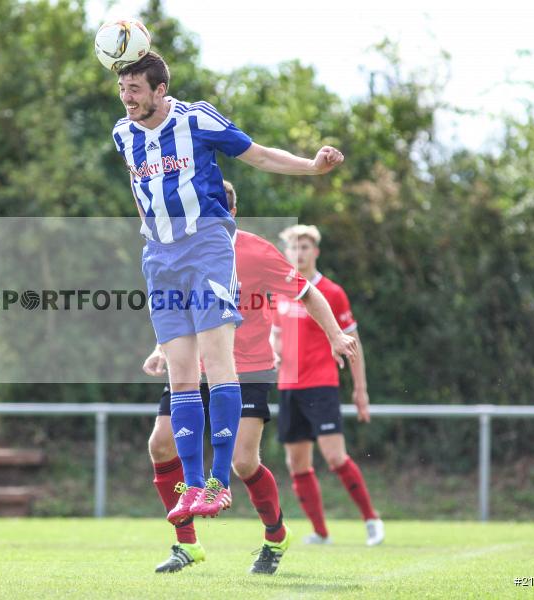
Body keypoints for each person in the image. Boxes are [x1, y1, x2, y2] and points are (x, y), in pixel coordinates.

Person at [111, 52, 345, 528]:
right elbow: (143, 198)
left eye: (135, 89)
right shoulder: (123, 133)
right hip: (159, 257)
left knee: (217, 361)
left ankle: (218, 484)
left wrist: (312, 167)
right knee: (181, 375)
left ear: (159, 90)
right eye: (123, 89)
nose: (127, 97)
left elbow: (257, 154)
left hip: (206, 247)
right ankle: (195, 487)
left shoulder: (195, 117)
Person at [143, 181, 358, 574]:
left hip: (246, 369)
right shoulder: (178, 249)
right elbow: (175, 308)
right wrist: (162, 348)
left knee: (243, 462)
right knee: (161, 444)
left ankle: (275, 535)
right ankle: (186, 544)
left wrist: (335, 334)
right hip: (193, 368)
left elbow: (308, 292)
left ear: (230, 214)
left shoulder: (256, 252)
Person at [271, 225, 384, 546]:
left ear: (316, 251)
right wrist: (272, 351)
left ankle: (371, 519)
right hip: (289, 387)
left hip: (321, 385)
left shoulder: (331, 292)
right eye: (294, 247)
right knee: (297, 463)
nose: (299, 252)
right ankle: (321, 532)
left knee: (335, 457)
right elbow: (276, 333)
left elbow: (353, 341)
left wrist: (360, 389)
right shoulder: (280, 289)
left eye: (305, 246)